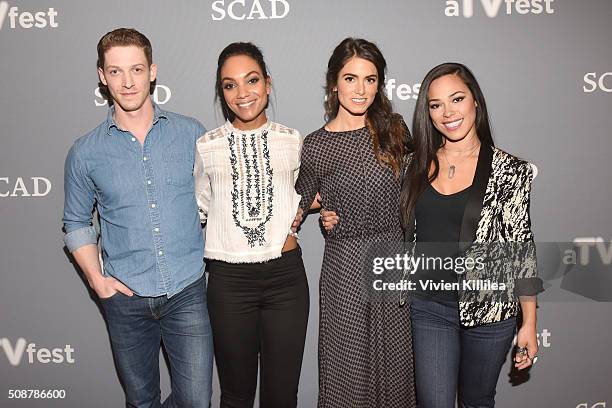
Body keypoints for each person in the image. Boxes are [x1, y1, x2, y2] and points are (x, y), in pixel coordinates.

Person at [62, 28, 213, 407]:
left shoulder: (191, 134)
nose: (127, 82)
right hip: (125, 299)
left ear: (152, 71)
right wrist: (98, 281)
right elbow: (76, 222)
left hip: (187, 290)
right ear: (102, 76)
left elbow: (219, 199)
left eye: (136, 69)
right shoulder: (85, 152)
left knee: (196, 401)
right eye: (115, 72)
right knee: (141, 401)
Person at [399, 62, 543, 407]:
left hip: (490, 312)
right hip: (429, 306)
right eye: (436, 105)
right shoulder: (413, 165)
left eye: (457, 99)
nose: (448, 112)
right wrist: (330, 210)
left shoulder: (509, 170)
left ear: (475, 101)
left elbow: (521, 250)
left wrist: (529, 323)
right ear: (427, 112)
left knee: (477, 401)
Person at [295, 38, 416, 408]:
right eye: (350, 78)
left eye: (370, 79)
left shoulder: (395, 130)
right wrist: (321, 212)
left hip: (393, 258)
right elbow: (297, 202)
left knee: (396, 367)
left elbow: (419, 193)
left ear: (379, 84)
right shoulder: (316, 145)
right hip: (344, 265)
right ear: (334, 81)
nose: (360, 89)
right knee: (347, 369)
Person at [193, 42, 309, 408]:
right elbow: (201, 207)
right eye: (230, 85)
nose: (242, 93)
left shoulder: (293, 141)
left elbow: (307, 195)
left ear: (268, 84)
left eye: (252, 80)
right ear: (222, 92)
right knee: (236, 394)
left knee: (281, 396)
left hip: (286, 279)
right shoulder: (206, 146)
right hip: (229, 282)